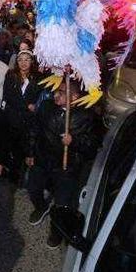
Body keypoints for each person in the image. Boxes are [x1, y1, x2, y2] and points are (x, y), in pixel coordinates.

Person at [25, 78, 100, 248]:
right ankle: (41, 207)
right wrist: (30, 152)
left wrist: (73, 141)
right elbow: (34, 130)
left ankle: (56, 231)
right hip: (43, 160)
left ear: (74, 96)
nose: (55, 95)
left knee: (62, 204)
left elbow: (92, 146)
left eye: (61, 92)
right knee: (33, 188)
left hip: (66, 167)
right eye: (55, 91)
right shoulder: (46, 107)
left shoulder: (86, 116)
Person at [2, 49, 41, 176]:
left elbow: (37, 97)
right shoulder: (11, 75)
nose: (23, 63)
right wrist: (26, 106)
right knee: (13, 148)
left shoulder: (37, 77)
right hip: (13, 118)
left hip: (28, 121)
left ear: (32, 61)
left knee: (26, 148)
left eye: (27, 59)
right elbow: (8, 96)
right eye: (20, 60)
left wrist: (32, 107)